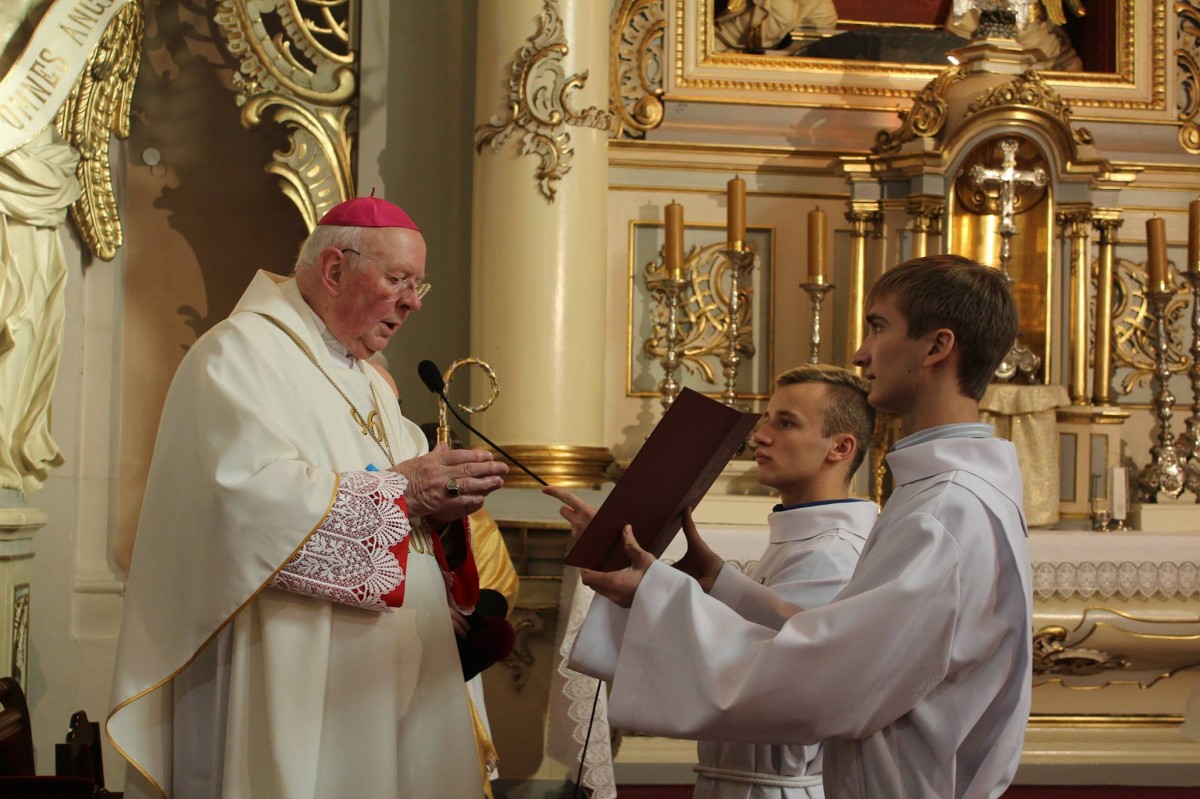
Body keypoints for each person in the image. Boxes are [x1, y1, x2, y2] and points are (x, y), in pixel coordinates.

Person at [567, 254, 1031, 799]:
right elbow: (838, 637)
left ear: (936, 347)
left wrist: (656, 595)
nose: (860, 353)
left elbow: (829, 680)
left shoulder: (946, 511)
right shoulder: (950, 494)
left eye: (878, 327)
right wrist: (716, 581)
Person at [107, 196, 508, 799]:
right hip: (294, 665)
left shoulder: (372, 380)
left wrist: (444, 518)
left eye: (418, 285)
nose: (413, 302)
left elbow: (408, 512)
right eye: (398, 280)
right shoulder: (238, 354)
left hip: (384, 676)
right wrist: (407, 491)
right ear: (334, 269)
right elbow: (243, 503)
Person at [547, 363, 878, 798]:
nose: (760, 436)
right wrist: (709, 578)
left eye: (785, 423)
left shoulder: (832, 554)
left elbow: (771, 679)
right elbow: (761, 631)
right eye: (765, 420)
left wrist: (651, 592)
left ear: (840, 447)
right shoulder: (806, 540)